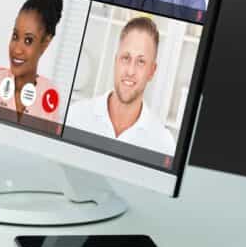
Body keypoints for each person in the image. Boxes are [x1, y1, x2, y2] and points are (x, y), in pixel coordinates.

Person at [65, 17, 176, 154]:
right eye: (126, 58)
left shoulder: (163, 145)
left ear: (152, 71)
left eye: (141, 62)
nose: (130, 71)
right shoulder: (75, 117)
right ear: (116, 61)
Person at [0, 0, 64, 124]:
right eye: (15, 36)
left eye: (28, 40)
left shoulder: (49, 95)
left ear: (45, 43)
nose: (17, 49)